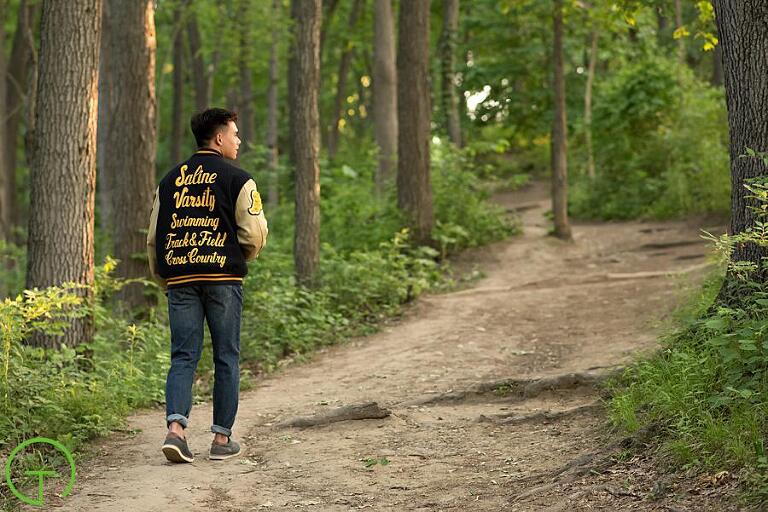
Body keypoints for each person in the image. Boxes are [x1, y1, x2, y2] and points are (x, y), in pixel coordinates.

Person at [146, 108, 268, 463]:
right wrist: (237, 256)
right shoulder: (238, 178)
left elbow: (154, 237)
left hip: (180, 279)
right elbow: (254, 234)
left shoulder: (169, 181)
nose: (239, 140)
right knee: (226, 356)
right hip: (222, 278)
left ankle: (176, 432)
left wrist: (164, 275)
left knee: (183, 356)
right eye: (235, 134)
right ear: (218, 138)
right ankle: (220, 440)